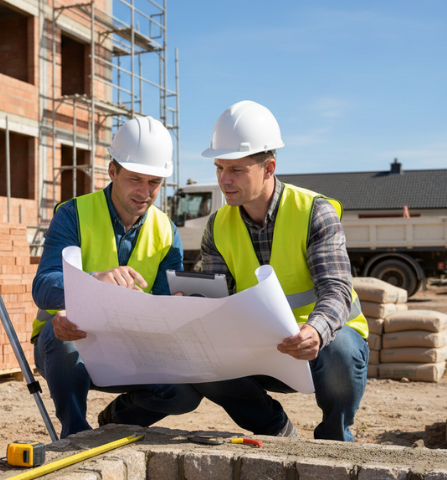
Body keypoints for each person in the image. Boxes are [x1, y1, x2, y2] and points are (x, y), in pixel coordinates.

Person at [195, 101, 369, 441]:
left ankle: (336, 439)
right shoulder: (217, 225)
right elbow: (214, 300)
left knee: (341, 350)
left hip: (320, 342)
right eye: (218, 168)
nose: (223, 180)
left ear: (269, 167)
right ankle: (276, 429)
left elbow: (336, 289)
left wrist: (316, 331)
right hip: (260, 345)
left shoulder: (314, 212)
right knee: (202, 361)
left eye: (236, 170)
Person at [31, 116, 203, 438]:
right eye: (134, 179)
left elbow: (165, 304)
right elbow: (43, 286)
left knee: (185, 390)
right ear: (113, 172)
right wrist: (93, 282)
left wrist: (178, 309)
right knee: (64, 336)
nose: (144, 192)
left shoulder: (167, 231)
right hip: (70, 342)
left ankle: (115, 423)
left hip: (130, 346)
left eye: (154, 182)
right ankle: (75, 435)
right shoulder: (73, 214)